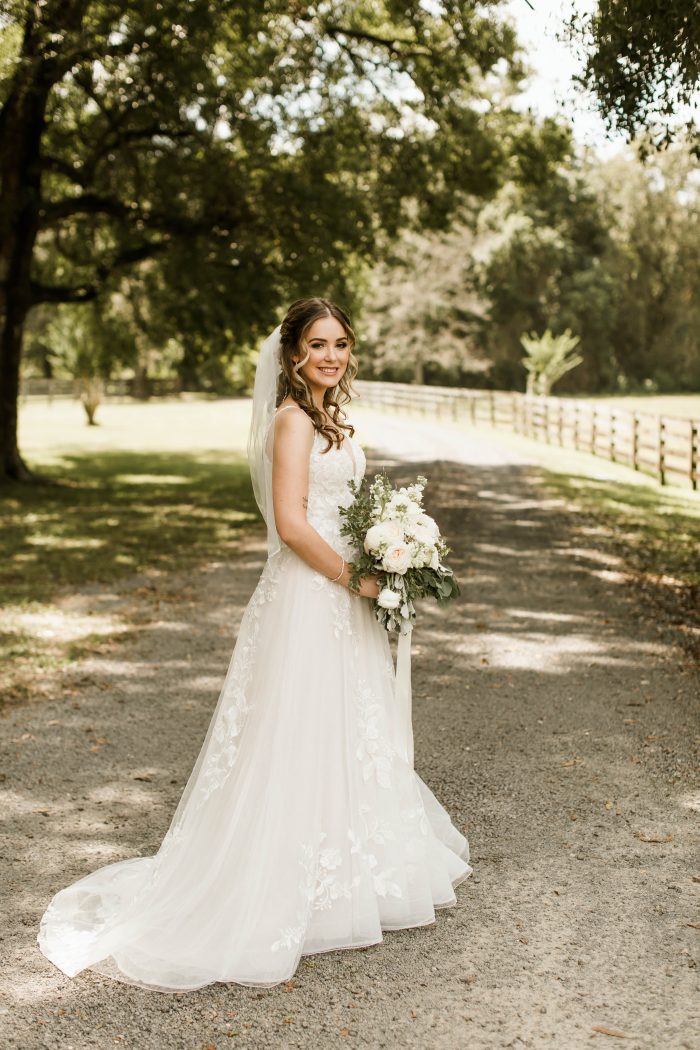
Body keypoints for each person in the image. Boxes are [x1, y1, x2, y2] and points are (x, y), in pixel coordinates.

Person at [37, 296, 472, 992]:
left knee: (344, 727)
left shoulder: (328, 416)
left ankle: (349, 875)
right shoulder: (293, 419)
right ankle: (282, 886)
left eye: (341, 343)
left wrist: (389, 545)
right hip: (311, 593)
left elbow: (340, 511)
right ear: (293, 352)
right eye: (318, 344)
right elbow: (295, 527)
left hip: (344, 588)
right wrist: (358, 577)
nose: (332, 355)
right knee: (296, 731)